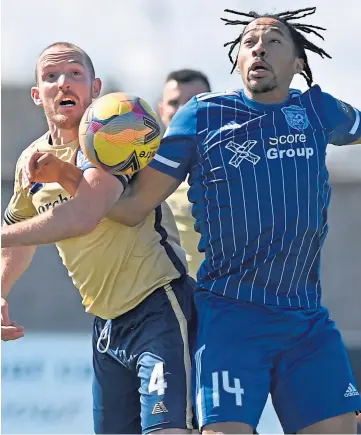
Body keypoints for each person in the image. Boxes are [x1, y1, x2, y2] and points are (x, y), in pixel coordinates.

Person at [4, 7, 361, 433]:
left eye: (272, 41)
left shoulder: (318, 110)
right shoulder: (200, 118)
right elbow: (114, 210)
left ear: (297, 62)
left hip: (263, 315)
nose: (259, 48)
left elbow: (85, 214)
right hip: (194, 319)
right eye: (248, 43)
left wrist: (65, 175)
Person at [1, 41, 197, 434]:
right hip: (106, 324)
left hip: (158, 306)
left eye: (75, 73)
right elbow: (18, 238)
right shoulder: (31, 159)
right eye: (51, 76)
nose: (63, 83)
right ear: (38, 94)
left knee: (169, 430)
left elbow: (81, 215)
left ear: (95, 87)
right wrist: (1, 292)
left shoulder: (113, 134)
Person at [160, 69, 212, 278]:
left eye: (193, 102)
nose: (183, 110)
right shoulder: (143, 170)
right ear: (161, 109)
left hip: (226, 298)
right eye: (174, 103)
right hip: (170, 300)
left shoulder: (235, 166)